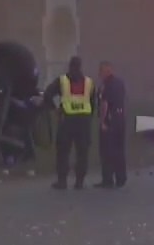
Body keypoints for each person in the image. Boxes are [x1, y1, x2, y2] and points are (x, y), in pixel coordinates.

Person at [42, 56, 94, 190]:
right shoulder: (89, 82)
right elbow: (93, 102)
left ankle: (62, 181)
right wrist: (90, 115)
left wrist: (55, 108)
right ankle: (79, 182)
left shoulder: (62, 81)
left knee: (63, 152)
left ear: (70, 66)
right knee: (82, 152)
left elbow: (47, 94)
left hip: (67, 121)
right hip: (84, 121)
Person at [95, 61, 128, 189]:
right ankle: (121, 178)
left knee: (107, 151)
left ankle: (107, 179)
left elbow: (105, 104)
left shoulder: (106, 85)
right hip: (120, 119)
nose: (100, 74)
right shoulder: (120, 83)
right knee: (119, 149)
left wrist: (103, 121)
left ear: (106, 71)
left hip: (110, 120)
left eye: (101, 71)